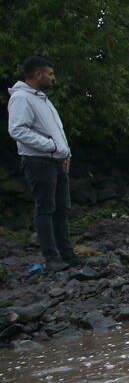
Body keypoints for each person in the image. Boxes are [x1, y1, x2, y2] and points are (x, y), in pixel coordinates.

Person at [7, 56, 81, 272]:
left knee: (61, 209)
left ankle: (68, 255)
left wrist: (64, 152)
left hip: (56, 161)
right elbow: (18, 130)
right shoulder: (22, 98)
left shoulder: (41, 99)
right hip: (39, 162)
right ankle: (52, 257)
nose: (53, 78)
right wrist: (51, 147)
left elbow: (54, 130)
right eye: (50, 74)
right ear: (37, 74)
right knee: (46, 209)